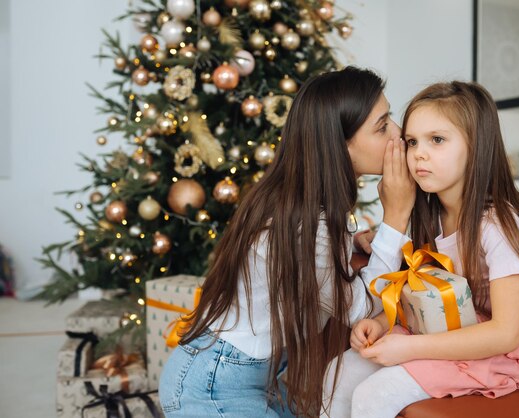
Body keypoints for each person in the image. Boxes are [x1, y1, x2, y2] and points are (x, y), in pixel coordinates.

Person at [158, 66, 415, 418]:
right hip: (213, 386)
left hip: (243, 373)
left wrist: (352, 243)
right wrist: (396, 218)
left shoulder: (300, 205)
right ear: (339, 143)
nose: (399, 136)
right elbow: (361, 309)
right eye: (382, 126)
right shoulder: (309, 227)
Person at [321, 81, 519, 418]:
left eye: (437, 140)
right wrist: (381, 324)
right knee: (335, 377)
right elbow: (428, 295)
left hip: (502, 347)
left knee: (376, 395)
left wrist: (408, 347)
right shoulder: (429, 215)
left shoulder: (501, 223)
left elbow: (506, 333)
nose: (419, 154)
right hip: (450, 327)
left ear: (476, 147)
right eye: (413, 142)